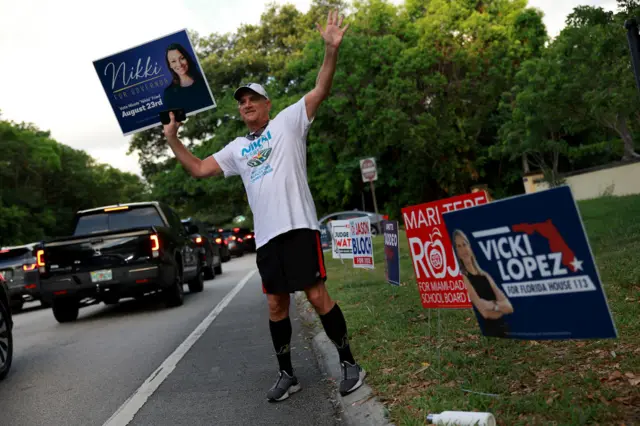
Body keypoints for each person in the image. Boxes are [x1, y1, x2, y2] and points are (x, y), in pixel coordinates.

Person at [161, 10, 366, 402]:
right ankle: (287, 373)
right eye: (242, 102)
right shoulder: (238, 149)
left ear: (268, 104)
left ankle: (349, 362)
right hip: (269, 236)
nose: (247, 105)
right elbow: (200, 168)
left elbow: (321, 88)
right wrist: (172, 139)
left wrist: (330, 50)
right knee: (275, 304)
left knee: (317, 295)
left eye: (253, 98)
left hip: (299, 227)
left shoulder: (289, 121)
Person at [452, 229, 514, 337]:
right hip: (491, 331)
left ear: (470, 247)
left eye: (464, 244)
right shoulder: (464, 278)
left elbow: (509, 307)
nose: (463, 249)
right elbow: (485, 312)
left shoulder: (484, 275)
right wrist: (500, 307)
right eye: (458, 246)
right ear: (456, 252)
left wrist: (492, 306)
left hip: (506, 327)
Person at [163, 43, 213, 112]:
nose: (179, 64)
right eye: (173, 61)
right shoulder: (169, 94)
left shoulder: (205, 82)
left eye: (182, 58)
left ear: (187, 58)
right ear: (170, 65)